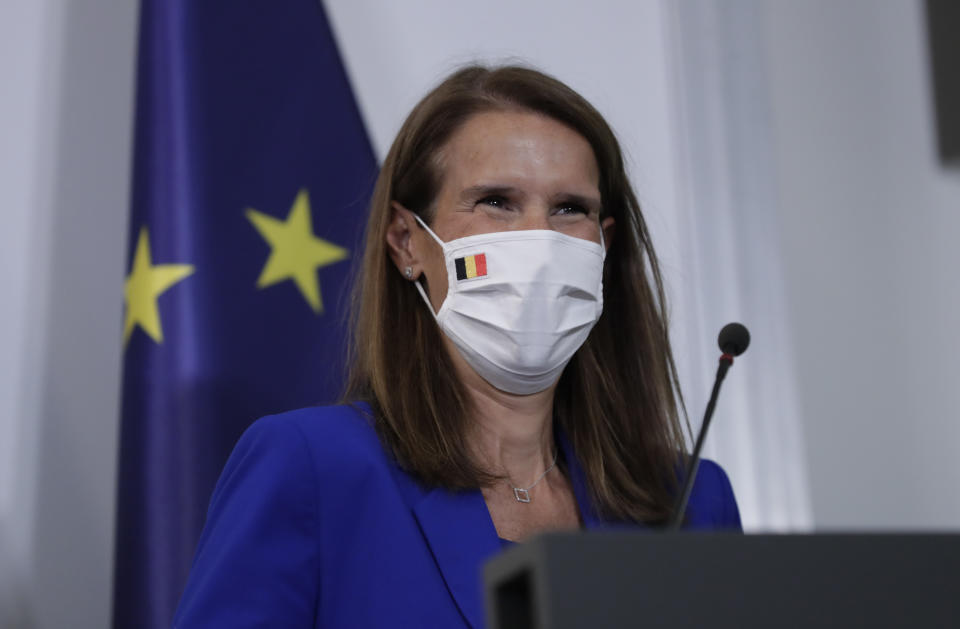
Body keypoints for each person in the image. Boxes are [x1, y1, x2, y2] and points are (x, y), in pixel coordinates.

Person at [173, 64, 741, 628]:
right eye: (496, 201)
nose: (538, 242)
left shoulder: (693, 501)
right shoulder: (309, 467)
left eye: (570, 208)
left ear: (604, 247)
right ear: (406, 243)